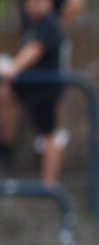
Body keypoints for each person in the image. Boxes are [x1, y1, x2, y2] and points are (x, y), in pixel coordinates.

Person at [0, 0, 66, 183]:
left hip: (45, 90)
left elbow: (35, 49)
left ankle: (49, 185)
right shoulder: (30, 23)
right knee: (7, 96)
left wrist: (12, 68)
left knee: (49, 134)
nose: (34, 4)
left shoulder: (49, 24)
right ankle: (6, 145)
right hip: (30, 87)